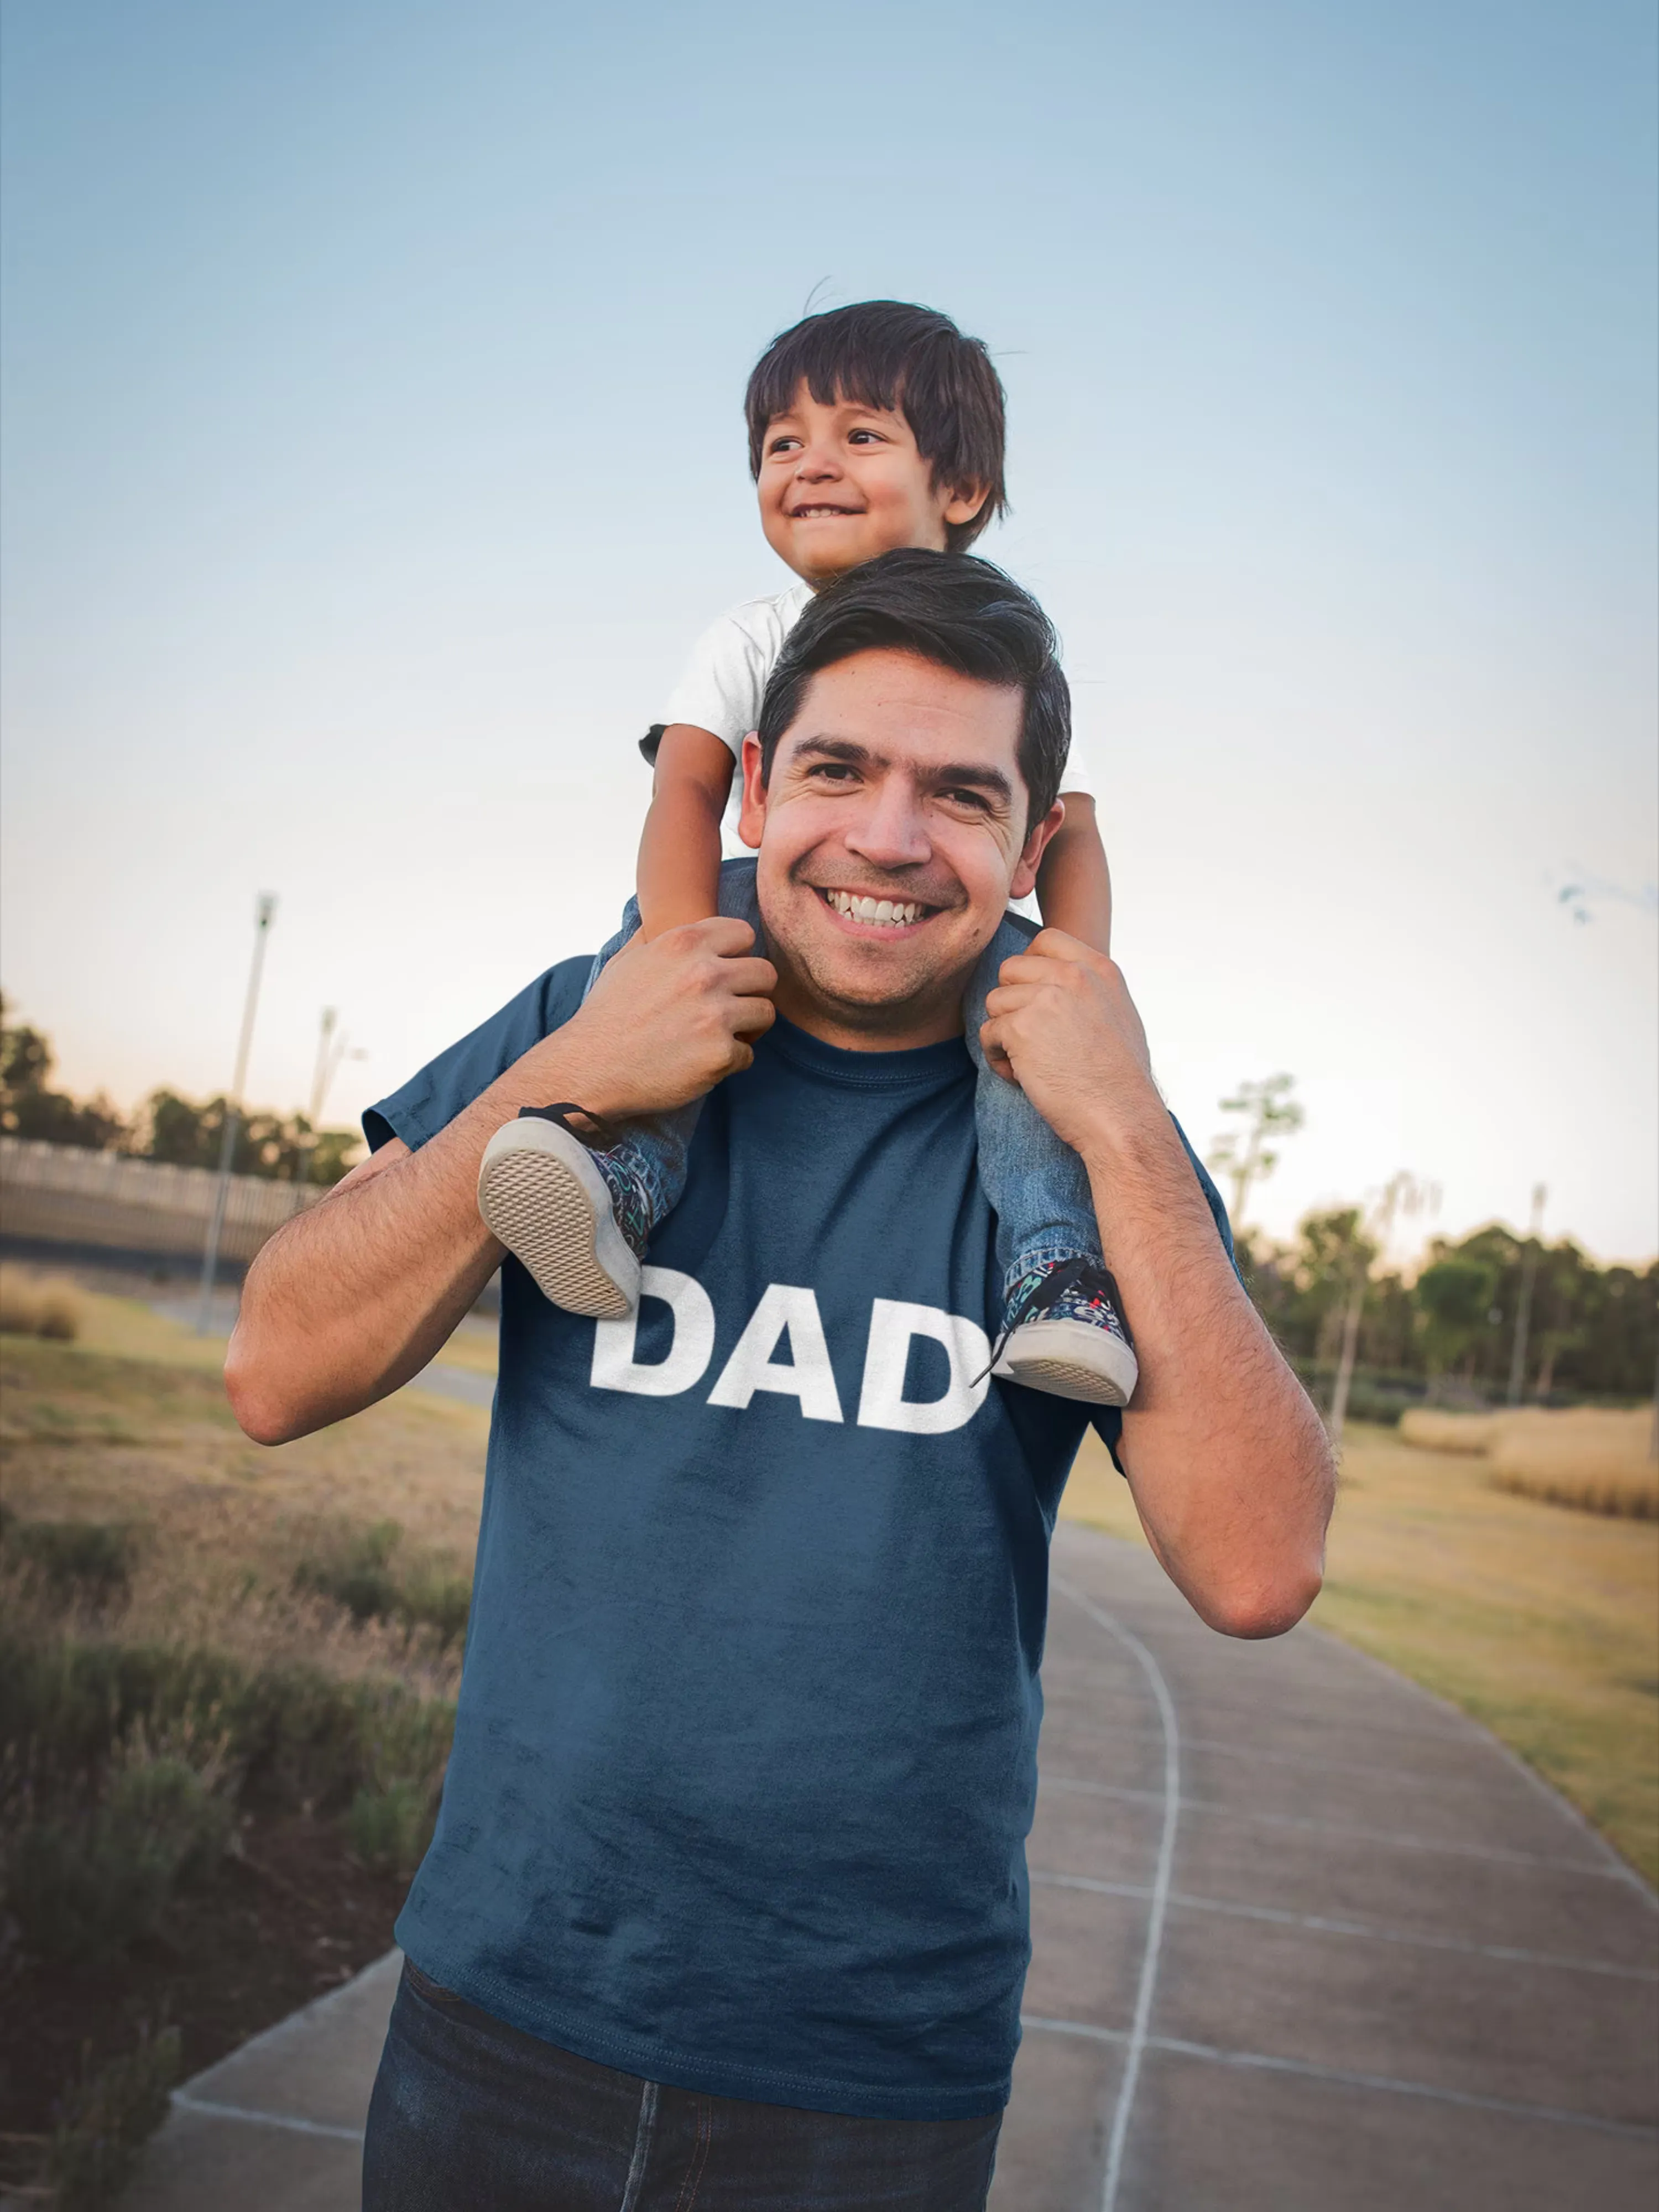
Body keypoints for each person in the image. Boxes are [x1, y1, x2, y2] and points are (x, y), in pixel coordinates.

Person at [226, 551, 1334, 2212]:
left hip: (869, 2077)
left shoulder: (1090, 1127)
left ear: (1036, 848)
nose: (888, 839)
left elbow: (1258, 1567)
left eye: (960, 795)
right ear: (752, 789)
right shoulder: (593, 1019)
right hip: (507, 2007)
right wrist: (560, 1075)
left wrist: (1117, 1119)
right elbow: (275, 1370)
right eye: (837, 770)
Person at [477, 301, 1139, 1407]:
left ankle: (1058, 1272)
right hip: (753, 915)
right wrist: (678, 954)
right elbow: (684, 792)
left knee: (1027, 1067)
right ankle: (623, 1173)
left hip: (955, 947)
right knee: (648, 979)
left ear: (960, 490)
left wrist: (1071, 990)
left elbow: (1073, 830)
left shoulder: (1010, 653)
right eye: (783, 443)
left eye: (860, 436)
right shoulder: (750, 634)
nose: (811, 464)